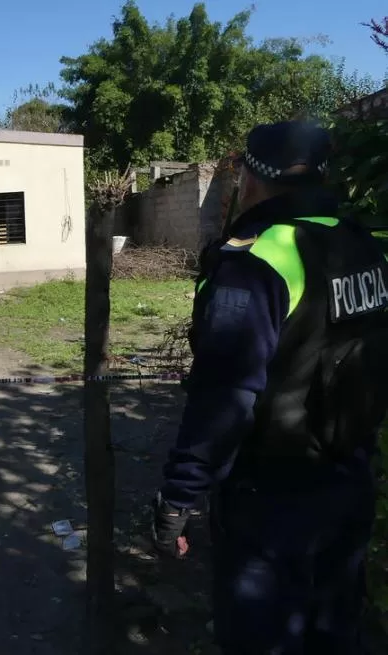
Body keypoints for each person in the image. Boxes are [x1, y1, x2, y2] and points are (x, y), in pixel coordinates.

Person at [151, 120, 388, 654]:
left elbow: (226, 394)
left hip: (272, 502)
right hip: (350, 480)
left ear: (246, 176)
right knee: (335, 630)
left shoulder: (256, 262)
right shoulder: (364, 247)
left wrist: (180, 495)